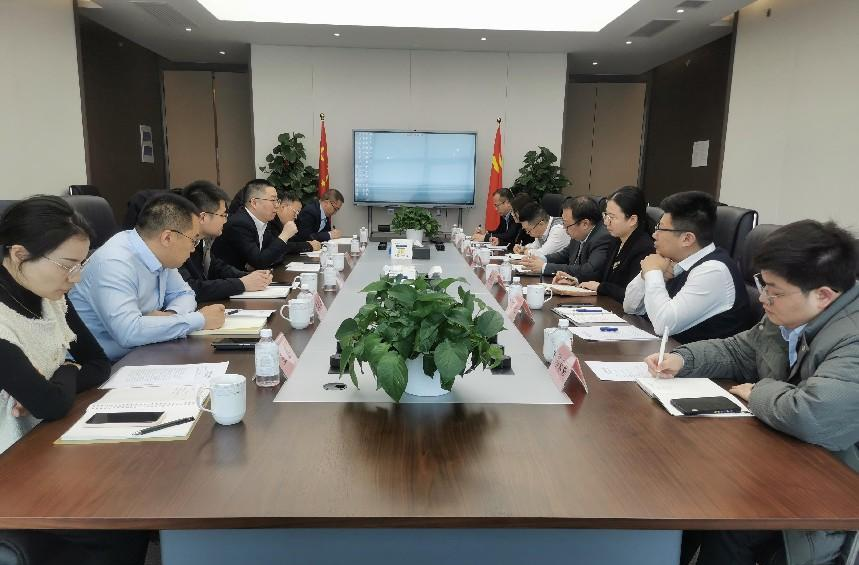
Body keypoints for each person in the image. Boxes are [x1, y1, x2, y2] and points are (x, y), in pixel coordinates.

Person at [645, 220, 859, 565]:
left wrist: (760, 390)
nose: (762, 298)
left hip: (833, 487)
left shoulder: (852, 338)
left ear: (823, 295)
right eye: (762, 284)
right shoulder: (789, 316)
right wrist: (682, 359)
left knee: (728, 517)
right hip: (782, 454)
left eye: (774, 291)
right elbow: (739, 350)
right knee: (685, 484)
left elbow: (814, 414)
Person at [0, 196, 149, 564]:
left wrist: (59, 375)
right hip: (10, 461)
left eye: (81, 265)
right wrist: (64, 374)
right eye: (67, 266)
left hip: (38, 443)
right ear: (19, 254)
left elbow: (97, 363)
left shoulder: (48, 295)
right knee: (114, 527)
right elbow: (51, 404)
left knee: (133, 495)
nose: (76, 278)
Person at [69, 193, 225, 361]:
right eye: (193, 240)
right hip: (102, 365)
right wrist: (199, 320)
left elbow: (184, 294)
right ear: (167, 238)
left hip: (144, 352)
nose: (193, 249)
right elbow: (129, 332)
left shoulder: (160, 254)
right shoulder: (115, 262)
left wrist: (171, 315)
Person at [623, 191, 749, 342]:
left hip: (695, 356)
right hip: (668, 350)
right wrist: (646, 275)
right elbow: (630, 307)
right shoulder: (676, 259)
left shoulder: (713, 271)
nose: (654, 235)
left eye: (661, 229)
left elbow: (663, 325)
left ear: (687, 239)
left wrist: (652, 272)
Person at [554, 186, 654, 302]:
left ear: (632, 220)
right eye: (605, 215)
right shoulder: (616, 240)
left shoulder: (644, 249)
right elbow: (602, 275)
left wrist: (601, 287)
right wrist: (575, 280)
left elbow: (632, 296)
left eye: (612, 217)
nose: (606, 222)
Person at [180, 180, 272, 302]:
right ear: (203, 217)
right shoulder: (178, 245)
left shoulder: (202, 242)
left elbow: (217, 267)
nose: (225, 221)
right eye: (223, 215)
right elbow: (191, 288)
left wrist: (250, 277)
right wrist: (242, 283)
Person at [212, 179, 318, 270]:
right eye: (273, 200)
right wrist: (284, 235)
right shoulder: (240, 224)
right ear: (254, 203)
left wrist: (263, 260)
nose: (277, 206)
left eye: (277, 201)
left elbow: (275, 255)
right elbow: (261, 261)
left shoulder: (264, 223)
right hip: (228, 282)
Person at [520, 196, 615, 280]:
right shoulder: (578, 234)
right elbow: (564, 255)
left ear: (585, 224)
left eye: (567, 225)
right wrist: (542, 259)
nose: (564, 229)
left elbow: (589, 270)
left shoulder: (602, 238)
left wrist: (545, 267)